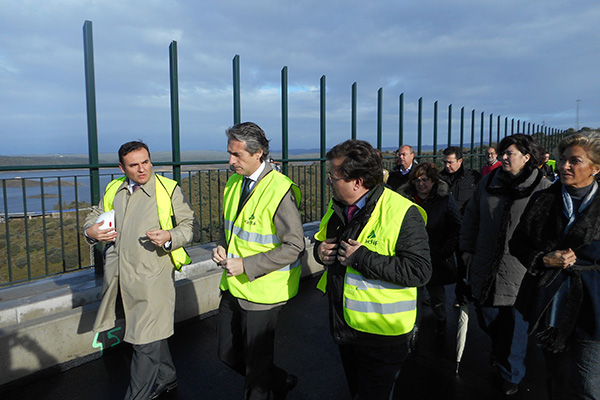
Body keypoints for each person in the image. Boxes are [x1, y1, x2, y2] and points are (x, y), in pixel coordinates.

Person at [314, 139, 431, 399]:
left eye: (333, 176)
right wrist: (319, 252)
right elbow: (322, 242)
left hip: (383, 335)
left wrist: (361, 258)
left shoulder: (402, 212)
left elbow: (419, 271)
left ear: (357, 182)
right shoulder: (338, 208)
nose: (329, 182)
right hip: (347, 328)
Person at [83, 141, 197, 400]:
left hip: (152, 280)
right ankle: (167, 377)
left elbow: (190, 226)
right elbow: (95, 215)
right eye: (134, 165)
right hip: (120, 279)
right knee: (150, 336)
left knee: (144, 344)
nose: (142, 169)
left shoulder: (168, 190)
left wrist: (170, 235)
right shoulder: (114, 189)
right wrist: (91, 231)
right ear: (122, 167)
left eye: (145, 162)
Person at [212, 122, 304, 400]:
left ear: (259, 153)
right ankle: (281, 381)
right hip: (234, 285)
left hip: (263, 291)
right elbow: (232, 225)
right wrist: (222, 245)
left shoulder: (279, 190)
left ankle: (270, 382)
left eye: (237, 155)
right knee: (227, 353)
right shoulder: (234, 182)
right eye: (230, 153)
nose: (230, 161)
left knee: (256, 370)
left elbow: (295, 246)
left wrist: (247, 265)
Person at [510, 132, 600, 399]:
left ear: (595, 167)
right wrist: (542, 259)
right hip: (551, 303)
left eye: (575, 161)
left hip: (594, 305)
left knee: (589, 384)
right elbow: (518, 243)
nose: (565, 166)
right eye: (562, 160)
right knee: (556, 378)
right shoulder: (543, 200)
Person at [460, 134, 551, 395]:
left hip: (520, 270)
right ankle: (502, 355)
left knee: (515, 327)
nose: (503, 157)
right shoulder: (488, 182)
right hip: (484, 264)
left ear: (526, 157)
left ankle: (511, 374)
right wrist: (466, 249)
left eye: (509, 153)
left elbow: (546, 231)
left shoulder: (542, 188)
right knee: (488, 318)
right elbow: (472, 217)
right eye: (503, 152)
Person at [398, 162, 461, 336]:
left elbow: (455, 227)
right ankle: (413, 330)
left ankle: (441, 323)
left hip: (436, 256)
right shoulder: (404, 201)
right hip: (411, 256)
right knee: (413, 297)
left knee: (437, 296)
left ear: (433, 181)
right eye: (417, 180)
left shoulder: (445, 200)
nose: (421, 184)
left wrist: (445, 250)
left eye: (425, 180)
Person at [439, 146, 482, 213]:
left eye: (450, 162)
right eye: (445, 162)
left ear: (460, 161)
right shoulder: (439, 179)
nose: (447, 165)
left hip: (466, 219)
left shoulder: (473, 177)